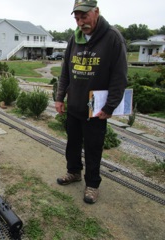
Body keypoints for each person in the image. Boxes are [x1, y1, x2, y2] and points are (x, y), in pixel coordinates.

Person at [55, 0, 127, 204]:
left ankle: (92, 184)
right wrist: (60, 98)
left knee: (94, 147)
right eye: (77, 18)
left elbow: (119, 76)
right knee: (73, 143)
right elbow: (65, 72)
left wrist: (110, 106)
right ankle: (74, 172)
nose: (80, 22)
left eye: (84, 16)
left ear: (96, 12)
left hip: (96, 108)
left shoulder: (112, 38)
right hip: (75, 105)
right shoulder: (74, 38)